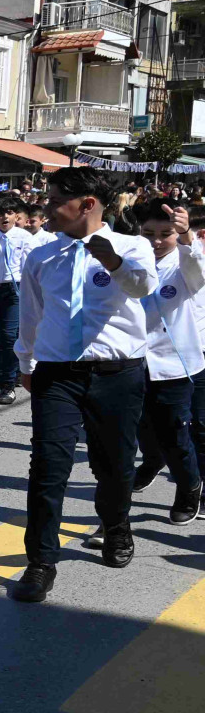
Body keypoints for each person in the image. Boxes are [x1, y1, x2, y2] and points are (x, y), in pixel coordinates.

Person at [10, 171, 157, 603]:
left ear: (87, 204)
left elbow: (143, 287)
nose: (47, 208)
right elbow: (31, 314)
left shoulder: (133, 246)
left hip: (118, 372)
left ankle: (116, 527)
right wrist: (24, 360)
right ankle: (40, 561)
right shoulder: (41, 255)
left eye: (56, 200)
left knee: (113, 464)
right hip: (58, 374)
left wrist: (110, 260)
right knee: (48, 466)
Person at [127, 200, 204, 524]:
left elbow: (197, 271)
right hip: (133, 362)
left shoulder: (185, 263)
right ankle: (151, 462)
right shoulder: (131, 261)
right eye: (149, 234)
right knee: (141, 429)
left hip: (176, 364)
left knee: (176, 432)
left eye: (165, 234)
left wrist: (186, 236)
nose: (157, 241)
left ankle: (189, 486)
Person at [0, 197, 35, 405]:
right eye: (0, 213)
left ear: (16, 216)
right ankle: (0, 377)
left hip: (15, 289)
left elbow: (30, 268)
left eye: (9, 212)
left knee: (8, 336)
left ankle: (9, 384)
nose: (5, 217)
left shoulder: (24, 237)